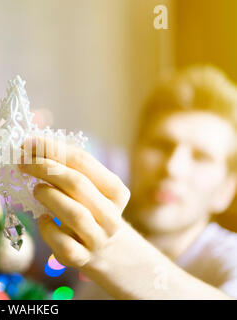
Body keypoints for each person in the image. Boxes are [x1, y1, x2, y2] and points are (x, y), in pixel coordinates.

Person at [18, 65, 237, 299]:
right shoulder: (89, 283)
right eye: (161, 145)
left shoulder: (229, 257)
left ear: (225, 191)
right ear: (133, 155)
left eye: (200, 157)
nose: (172, 168)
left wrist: (113, 254)